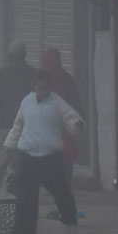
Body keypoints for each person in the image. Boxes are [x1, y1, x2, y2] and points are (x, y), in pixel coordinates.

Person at [3, 70, 85, 234]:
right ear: (34, 87)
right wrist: (8, 147)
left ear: (50, 88)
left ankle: (70, 219)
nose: (42, 92)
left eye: (46, 88)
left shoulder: (57, 103)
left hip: (50, 159)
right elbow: (17, 127)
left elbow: (72, 118)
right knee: (26, 203)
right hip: (28, 158)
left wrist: (77, 125)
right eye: (39, 88)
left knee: (61, 191)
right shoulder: (26, 102)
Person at [0, 41, 37, 158]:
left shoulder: (2, 73)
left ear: (10, 55)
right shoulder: (34, 73)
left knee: (5, 159)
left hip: (6, 122)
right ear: (25, 55)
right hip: (28, 124)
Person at [41, 48, 81, 177]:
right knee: (66, 155)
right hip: (65, 128)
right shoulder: (68, 80)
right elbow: (76, 103)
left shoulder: (40, 82)